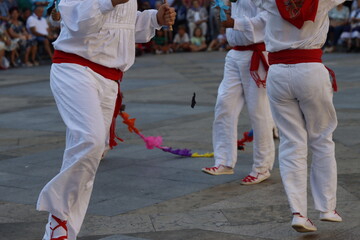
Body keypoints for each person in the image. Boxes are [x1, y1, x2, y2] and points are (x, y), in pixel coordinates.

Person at [36, 0, 175, 240]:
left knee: (87, 154)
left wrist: (154, 19)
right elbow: (80, 24)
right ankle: (58, 213)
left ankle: (61, 233)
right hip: (74, 68)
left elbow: (123, 27)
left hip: (109, 77)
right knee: (91, 141)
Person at [253, 0, 344, 233]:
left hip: (279, 74)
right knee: (322, 139)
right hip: (311, 71)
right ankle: (327, 208)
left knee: (291, 142)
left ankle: (299, 213)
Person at [201, 0, 275, 186]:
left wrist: (235, 23)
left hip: (256, 52)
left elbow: (267, 18)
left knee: (259, 112)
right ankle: (224, 161)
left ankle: (262, 167)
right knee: (224, 104)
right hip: (234, 54)